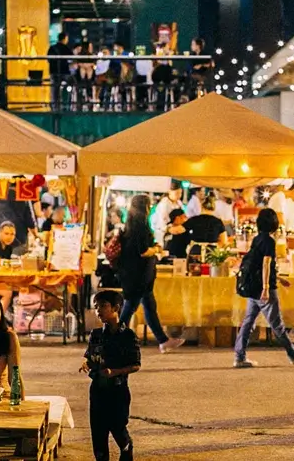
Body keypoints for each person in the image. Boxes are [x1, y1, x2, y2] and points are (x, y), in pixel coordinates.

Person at [233, 208, 294, 368]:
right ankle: (293, 353)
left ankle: (239, 357)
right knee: (277, 323)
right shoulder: (269, 241)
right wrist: (266, 287)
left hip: (253, 288)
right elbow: (265, 264)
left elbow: (256, 265)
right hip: (264, 289)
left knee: (248, 322)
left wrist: (278, 278)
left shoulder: (257, 239)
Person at [116, 194, 184, 354]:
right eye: (148, 205)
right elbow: (143, 251)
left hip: (137, 274)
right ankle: (114, 340)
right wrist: (157, 250)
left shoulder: (132, 224)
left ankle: (163, 341)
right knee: (130, 307)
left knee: (149, 306)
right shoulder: (140, 226)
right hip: (138, 275)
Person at [80, 290, 141, 461]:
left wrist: (114, 372)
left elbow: (136, 365)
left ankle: (126, 448)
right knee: (98, 433)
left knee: (118, 428)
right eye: (96, 307)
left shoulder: (128, 336)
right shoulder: (96, 335)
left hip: (118, 391)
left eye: (103, 306)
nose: (99, 311)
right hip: (98, 389)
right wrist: (86, 364)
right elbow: (90, 357)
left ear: (116, 308)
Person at [47, 32, 74, 110]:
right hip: (64, 72)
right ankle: (66, 104)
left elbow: (48, 59)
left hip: (53, 72)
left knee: (55, 89)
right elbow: (71, 59)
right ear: (65, 39)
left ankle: (55, 106)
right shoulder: (66, 48)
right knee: (69, 85)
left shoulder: (52, 48)